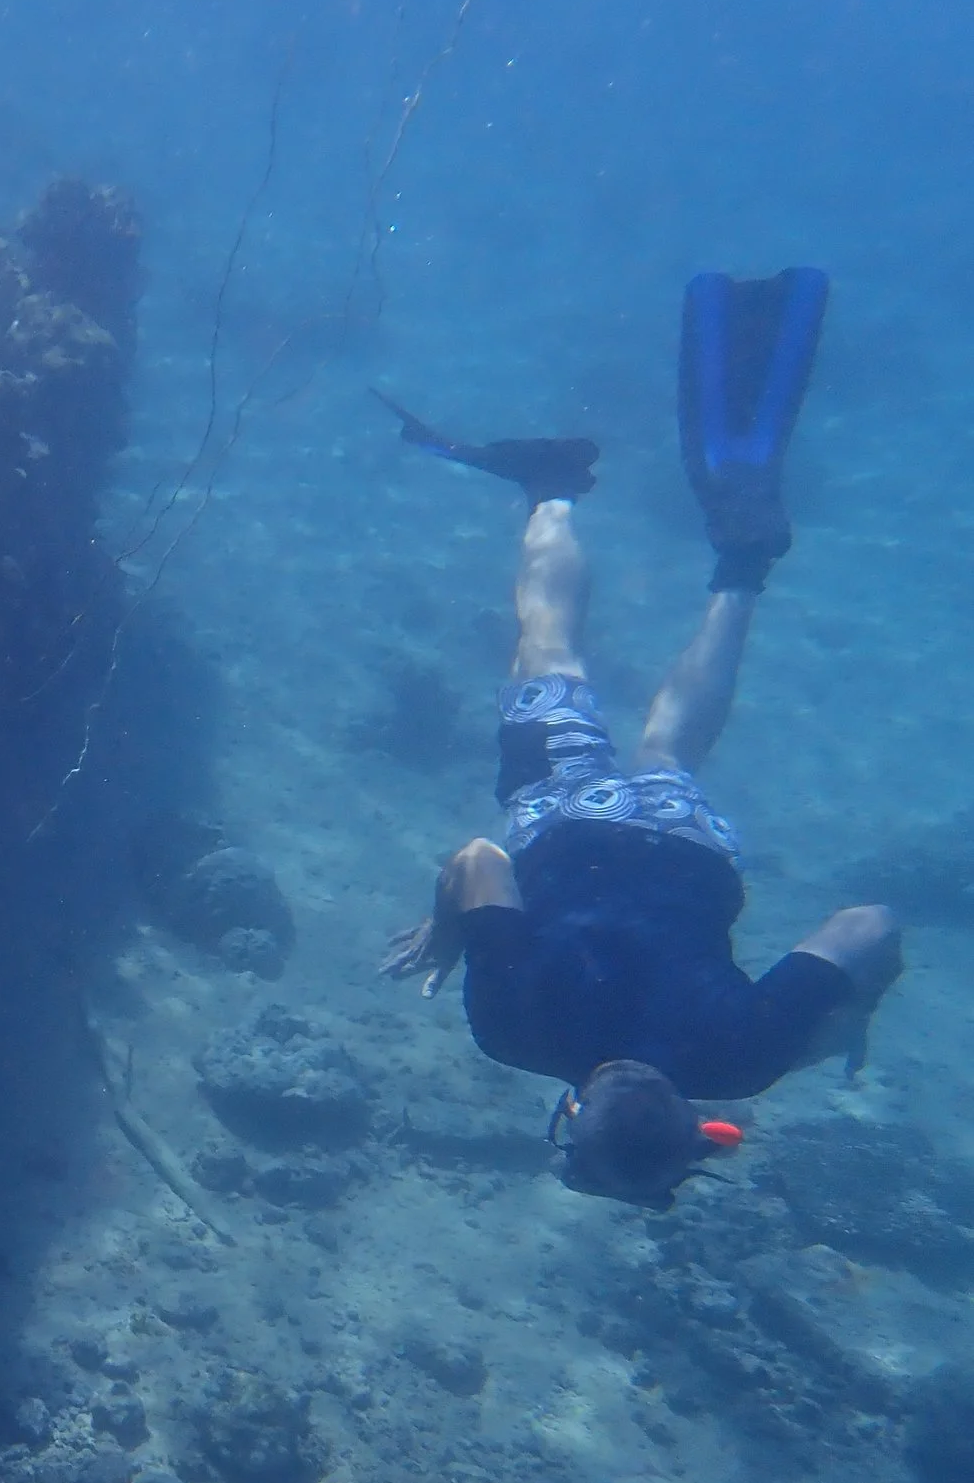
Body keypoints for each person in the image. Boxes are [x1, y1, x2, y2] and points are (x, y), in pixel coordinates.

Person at [376, 268, 901, 1206]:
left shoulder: (745, 1058)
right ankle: (552, 484)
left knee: (668, 751)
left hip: (683, 846)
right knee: (551, 651)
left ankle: (740, 566)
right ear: (570, 1117)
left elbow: (868, 925)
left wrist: (852, 1010)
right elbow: (481, 856)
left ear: (701, 1126)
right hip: (568, 823)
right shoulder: (518, 1030)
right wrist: (450, 923)